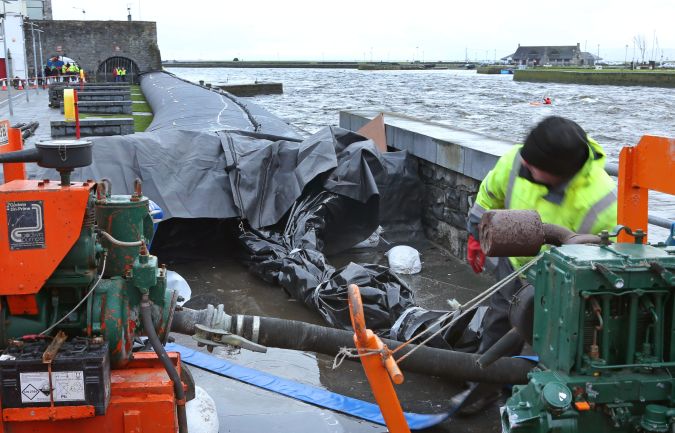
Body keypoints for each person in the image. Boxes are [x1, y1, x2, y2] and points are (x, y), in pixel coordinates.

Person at [459, 116, 617, 414]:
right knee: (497, 325)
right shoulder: (518, 160)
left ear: (560, 172)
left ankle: (550, 399)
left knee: (557, 347)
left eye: (535, 168)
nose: (525, 169)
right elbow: (487, 199)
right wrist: (474, 237)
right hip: (515, 267)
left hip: (564, 286)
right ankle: (483, 389)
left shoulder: (603, 203)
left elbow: (610, 260)